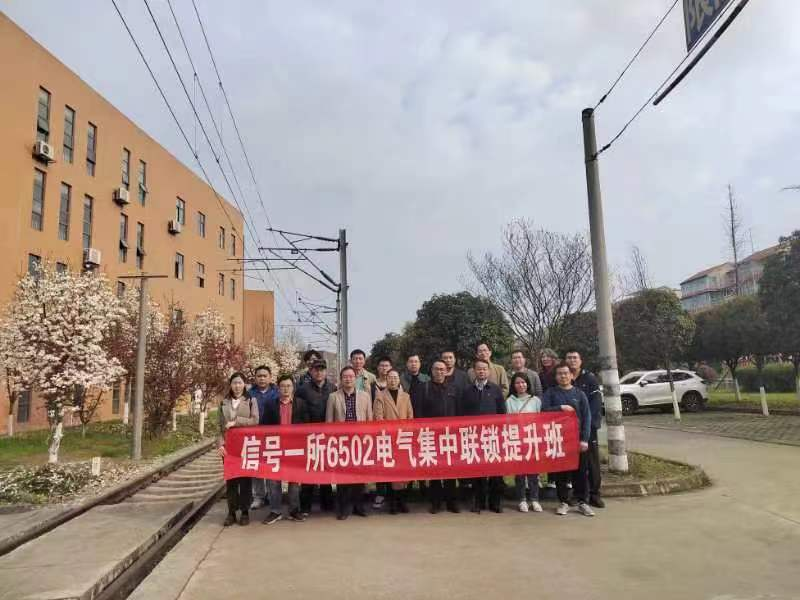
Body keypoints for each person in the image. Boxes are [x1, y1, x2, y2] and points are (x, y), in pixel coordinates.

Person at [541, 362, 594, 517]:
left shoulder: (579, 394)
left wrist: (584, 439)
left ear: (571, 375)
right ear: (556, 376)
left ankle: (583, 502)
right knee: (561, 473)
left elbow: (587, 417)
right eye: (559, 373)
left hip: (577, 440)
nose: (563, 376)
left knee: (581, 472)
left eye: (565, 373)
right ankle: (563, 501)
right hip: (558, 440)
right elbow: (543, 411)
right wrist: (560, 408)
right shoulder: (551, 393)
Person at [327, 366, 373, 520]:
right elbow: (329, 422)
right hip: (341, 442)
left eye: (351, 376)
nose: (348, 379)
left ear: (355, 378)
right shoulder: (333, 397)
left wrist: (369, 439)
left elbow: (369, 419)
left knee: (359, 475)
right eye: (345, 376)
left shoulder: (365, 396)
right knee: (343, 477)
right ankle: (343, 508)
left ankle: (358, 506)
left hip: (360, 441)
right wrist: (331, 441)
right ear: (341, 379)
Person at [460, 359, 506, 513]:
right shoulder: (467, 391)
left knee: (495, 472)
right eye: (479, 369)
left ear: (489, 371)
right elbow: (462, 413)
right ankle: (479, 503)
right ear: (474, 371)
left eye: (484, 369)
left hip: (492, 437)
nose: (481, 371)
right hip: (474, 437)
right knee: (477, 471)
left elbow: (502, 412)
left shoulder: (495, 389)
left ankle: (495, 503)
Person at [260, 375, 308, 524]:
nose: (286, 389)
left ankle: (294, 510)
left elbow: (307, 425)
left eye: (288, 386)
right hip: (276, 447)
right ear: (278, 388)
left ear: (293, 388)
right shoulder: (270, 405)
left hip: (295, 447)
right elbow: (263, 426)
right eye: (282, 386)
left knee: (294, 481)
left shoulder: (301, 404)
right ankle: (275, 511)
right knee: (273, 480)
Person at [295, 359, 336, 515]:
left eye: (322, 369)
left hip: (327, 436)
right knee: (309, 471)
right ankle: (305, 506)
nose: (319, 372)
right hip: (308, 436)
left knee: (326, 469)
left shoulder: (332, 388)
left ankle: (327, 504)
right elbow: (297, 410)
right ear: (311, 371)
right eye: (316, 369)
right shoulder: (302, 390)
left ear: (326, 371)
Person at [217, 372, 259, 526]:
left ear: (244, 385)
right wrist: (220, 444)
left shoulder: (251, 400)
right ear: (230, 385)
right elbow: (219, 427)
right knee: (231, 481)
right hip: (229, 447)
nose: (237, 386)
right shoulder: (224, 402)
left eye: (240, 383)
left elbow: (255, 420)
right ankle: (231, 512)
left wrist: (236, 422)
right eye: (234, 383)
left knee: (245, 480)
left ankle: (245, 512)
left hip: (245, 446)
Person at [565, 349, 604, 508]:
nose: (572, 360)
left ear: (581, 360)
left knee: (592, 462)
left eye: (575, 357)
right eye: (569, 358)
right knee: (576, 463)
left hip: (588, 427)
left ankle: (595, 494)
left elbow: (595, 405)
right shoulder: (565, 378)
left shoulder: (590, 378)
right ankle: (578, 494)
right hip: (570, 430)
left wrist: (589, 426)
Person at [420, 360, 461, 514]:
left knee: (450, 469)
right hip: (431, 435)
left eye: (442, 369)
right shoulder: (424, 388)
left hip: (450, 435)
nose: (439, 372)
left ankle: (452, 502)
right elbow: (419, 412)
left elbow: (459, 411)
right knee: (435, 470)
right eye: (436, 369)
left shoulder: (454, 388)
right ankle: (436, 503)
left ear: (446, 371)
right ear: (431, 371)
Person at [373, 369, 413, 514]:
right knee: (390, 472)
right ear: (386, 379)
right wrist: (391, 431)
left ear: (399, 379)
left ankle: (402, 501)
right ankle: (392, 503)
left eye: (395, 377)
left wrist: (404, 432)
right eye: (390, 377)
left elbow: (410, 417)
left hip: (403, 439)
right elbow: (378, 418)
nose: (393, 380)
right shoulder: (380, 396)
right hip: (388, 439)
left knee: (404, 472)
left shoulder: (406, 396)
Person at [506, 373, 543, 513]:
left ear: (528, 384)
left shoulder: (535, 400)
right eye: (517, 383)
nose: (521, 385)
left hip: (532, 439)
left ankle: (535, 499)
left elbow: (541, 419)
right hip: (517, 439)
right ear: (513, 385)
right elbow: (507, 421)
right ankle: (522, 500)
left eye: (523, 382)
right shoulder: (509, 401)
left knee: (533, 472)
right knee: (520, 472)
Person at [248, 365, 279, 510]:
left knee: (272, 465)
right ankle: (258, 496)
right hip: (255, 435)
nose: (262, 378)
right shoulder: (249, 394)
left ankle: (273, 496)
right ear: (255, 378)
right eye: (259, 376)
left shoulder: (277, 392)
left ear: (270, 377)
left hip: (274, 435)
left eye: (264, 376)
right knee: (257, 466)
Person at [370, 356, 393, 510]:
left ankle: (392, 493)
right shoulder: (372, 385)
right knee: (380, 463)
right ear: (378, 368)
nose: (384, 368)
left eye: (387, 365)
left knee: (393, 462)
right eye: (382, 365)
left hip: (394, 431)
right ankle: (380, 493)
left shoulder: (396, 383)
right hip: (377, 430)